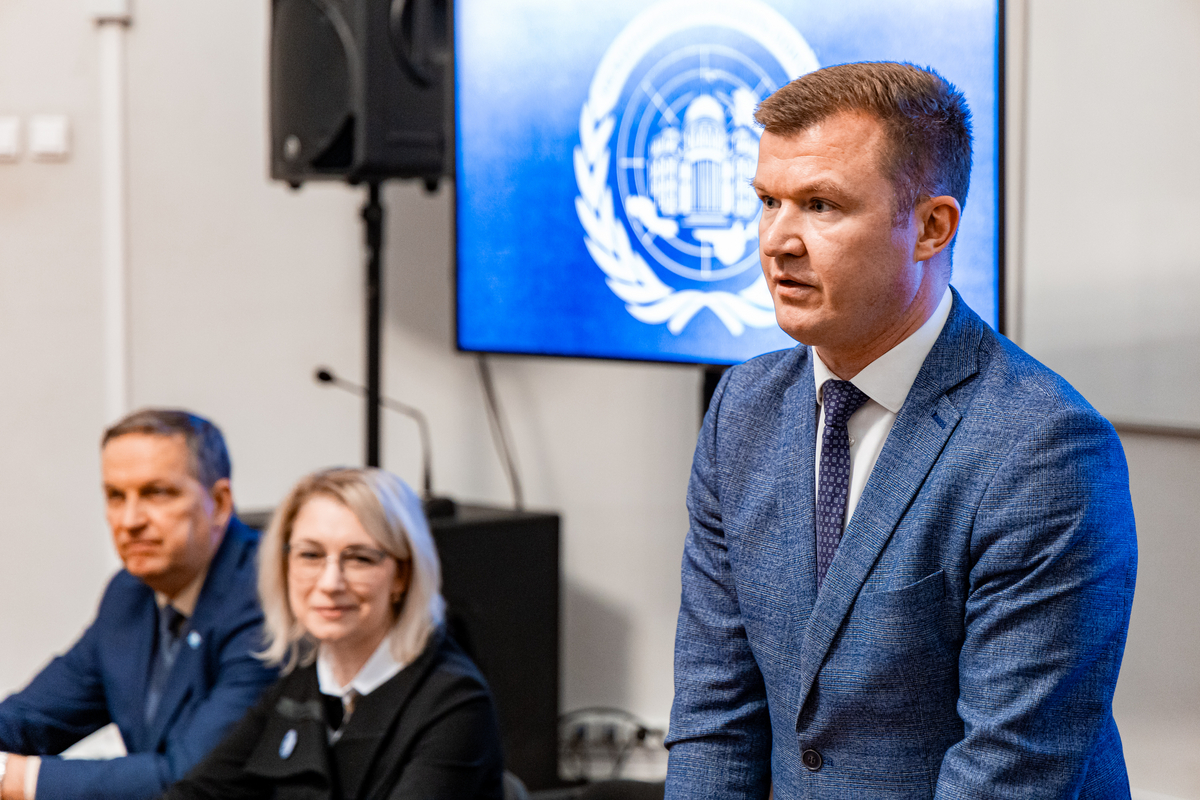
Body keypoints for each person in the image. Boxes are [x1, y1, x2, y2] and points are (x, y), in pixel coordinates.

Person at [664, 62, 1137, 799]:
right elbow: (713, 716)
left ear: (931, 227)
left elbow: (1010, 770)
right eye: (767, 201)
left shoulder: (1045, 449)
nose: (778, 240)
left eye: (821, 205)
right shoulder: (742, 407)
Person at [161, 467, 504, 800]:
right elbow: (196, 792)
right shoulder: (301, 682)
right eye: (310, 555)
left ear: (401, 575)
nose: (330, 583)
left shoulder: (455, 703)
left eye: (359, 559)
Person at [0, 409, 278, 800]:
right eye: (116, 496)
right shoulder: (129, 594)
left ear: (219, 502)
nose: (130, 521)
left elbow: (190, 778)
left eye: (156, 493)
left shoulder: (265, 595)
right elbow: (32, 718)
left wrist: (13, 778)